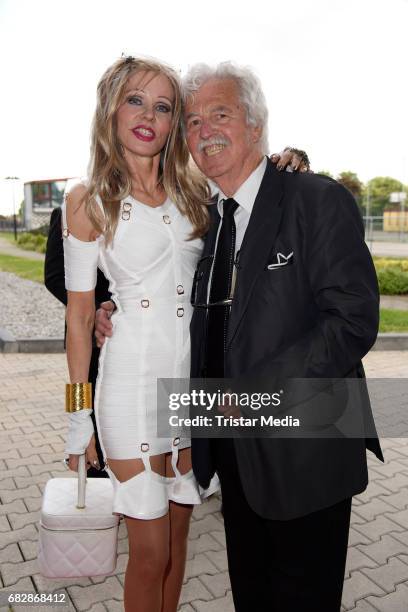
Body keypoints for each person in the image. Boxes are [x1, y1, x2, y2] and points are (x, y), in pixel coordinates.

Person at [61, 55, 308, 612]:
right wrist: (78, 417)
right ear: (111, 109)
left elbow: (247, 216)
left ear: (175, 121)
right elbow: (78, 317)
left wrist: (288, 163)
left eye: (165, 106)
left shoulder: (192, 190)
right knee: (148, 552)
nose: (149, 115)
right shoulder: (86, 200)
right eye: (135, 100)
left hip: (190, 393)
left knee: (177, 547)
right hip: (127, 390)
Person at [181, 62, 384, 612]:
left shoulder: (316, 199)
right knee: (252, 596)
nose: (203, 132)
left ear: (255, 124)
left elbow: (353, 321)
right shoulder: (211, 220)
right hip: (234, 458)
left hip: (306, 454)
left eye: (219, 114)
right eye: (193, 122)